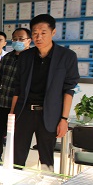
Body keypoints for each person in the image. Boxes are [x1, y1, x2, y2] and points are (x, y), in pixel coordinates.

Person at [10, 14, 79, 170]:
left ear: (53, 32)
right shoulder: (25, 56)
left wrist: (64, 119)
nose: (38, 37)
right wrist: (12, 115)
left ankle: (47, 184)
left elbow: (69, 89)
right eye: (35, 33)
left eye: (43, 33)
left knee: (46, 158)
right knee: (17, 155)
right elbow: (17, 87)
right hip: (24, 112)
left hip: (49, 114)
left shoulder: (67, 56)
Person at [0, 28, 31, 160]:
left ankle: (15, 164)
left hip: (21, 108)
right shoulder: (7, 57)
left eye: (21, 39)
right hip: (3, 103)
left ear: (29, 41)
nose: (17, 41)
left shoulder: (32, 59)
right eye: (14, 39)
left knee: (18, 139)